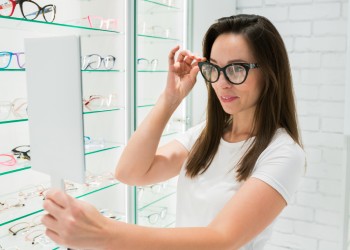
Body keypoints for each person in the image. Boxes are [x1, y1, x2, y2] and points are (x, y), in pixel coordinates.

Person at [42, 14, 305, 250]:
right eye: (213, 68)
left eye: (236, 69)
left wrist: (103, 232)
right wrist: (170, 98)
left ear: (270, 73)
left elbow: (222, 239)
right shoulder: (206, 136)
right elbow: (130, 172)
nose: (221, 82)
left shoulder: (283, 154)